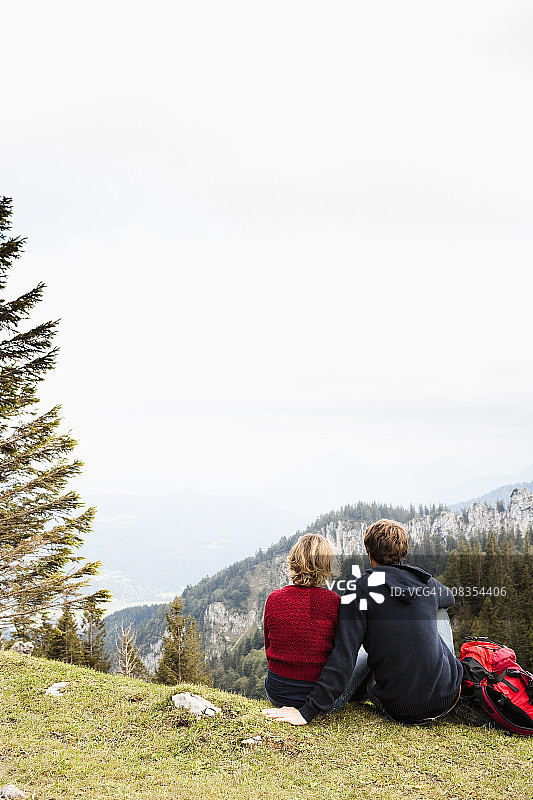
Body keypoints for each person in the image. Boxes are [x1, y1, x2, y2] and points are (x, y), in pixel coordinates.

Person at [263, 518, 462, 726]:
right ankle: (447, 677)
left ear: (368, 552)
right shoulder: (426, 583)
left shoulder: (359, 591)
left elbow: (344, 655)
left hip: (400, 709)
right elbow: (449, 597)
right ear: (404, 551)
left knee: (361, 647)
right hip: (447, 698)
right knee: (439, 611)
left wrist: (308, 712)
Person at [263, 533, 340, 709]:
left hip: (277, 692)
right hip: (316, 694)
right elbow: (339, 654)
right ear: (326, 565)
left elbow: (268, 646)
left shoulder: (274, 598)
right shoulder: (334, 602)